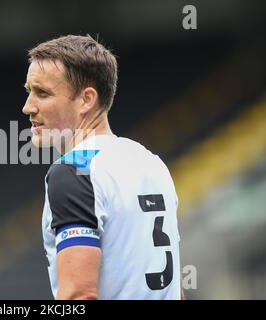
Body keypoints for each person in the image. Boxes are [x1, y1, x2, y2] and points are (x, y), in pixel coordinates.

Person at [22, 34, 182, 299]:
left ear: (86, 99)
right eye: (29, 92)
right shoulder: (151, 163)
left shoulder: (74, 171)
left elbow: (79, 295)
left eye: (42, 93)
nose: (28, 106)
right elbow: (175, 289)